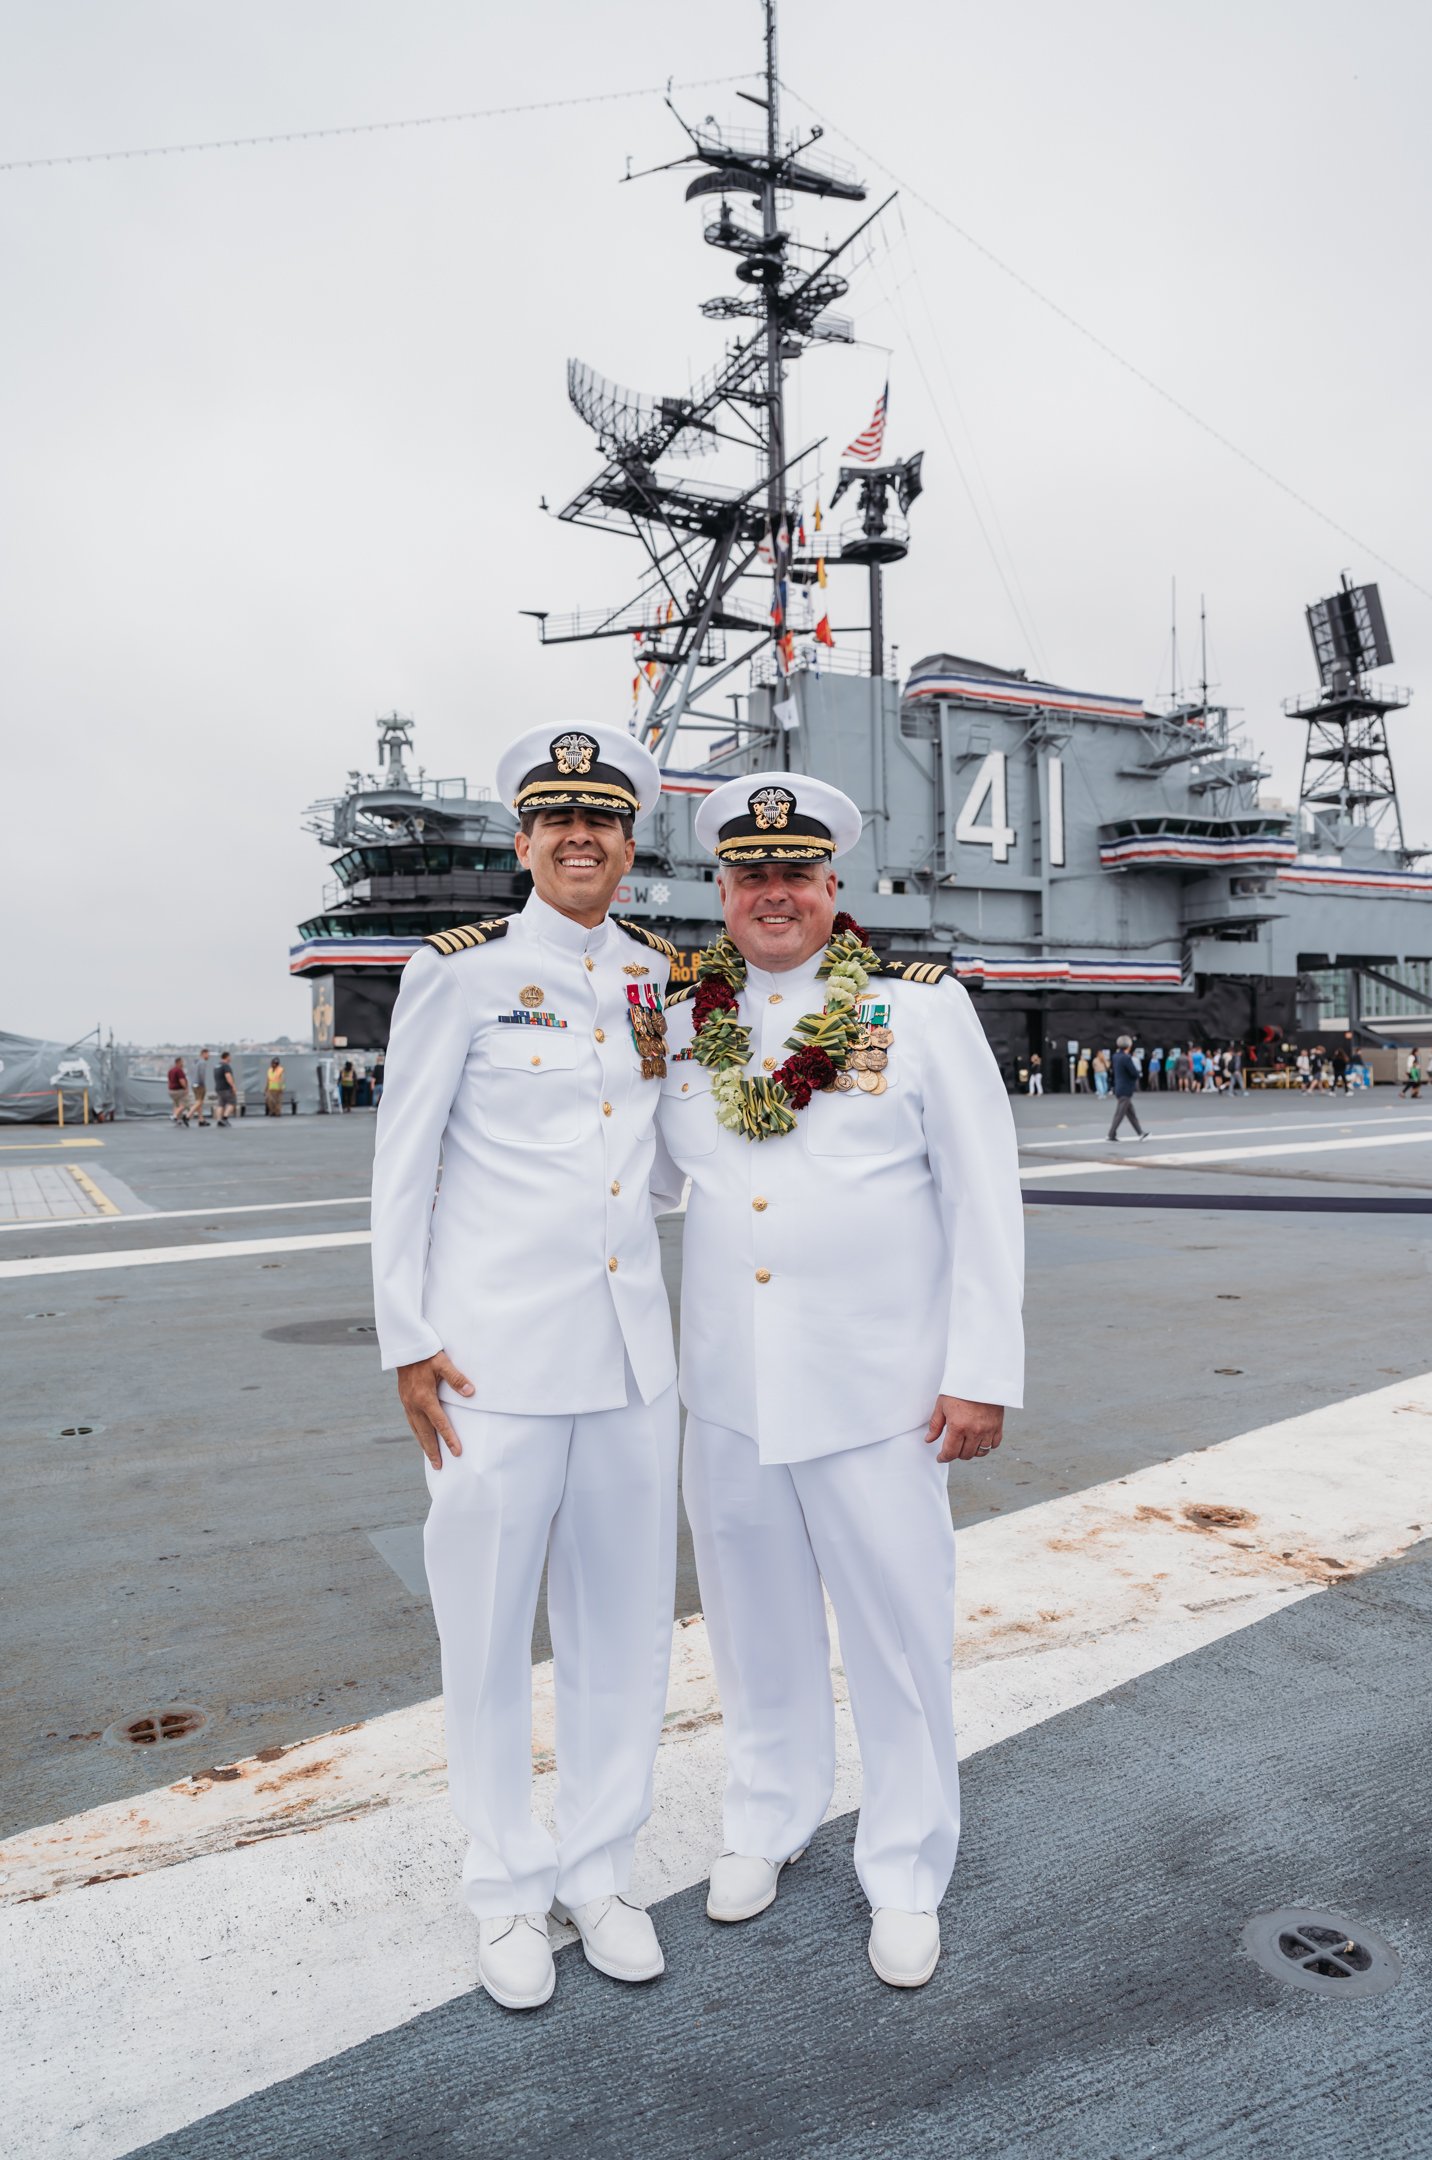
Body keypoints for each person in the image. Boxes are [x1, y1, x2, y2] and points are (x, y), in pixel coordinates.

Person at [655, 773, 1023, 1992]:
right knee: (753, 1628)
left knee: (900, 1637)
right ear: (722, 892)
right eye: (750, 875)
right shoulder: (678, 1022)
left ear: (832, 887)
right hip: (730, 1391)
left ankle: (908, 1864)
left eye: (794, 874)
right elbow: (649, 1179)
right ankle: (766, 1813)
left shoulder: (920, 1012)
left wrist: (981, 1374)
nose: (773, 893)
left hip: (882, 1395)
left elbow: (984, 1200)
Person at [371, 723, 678, 2015]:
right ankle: (504, 1888)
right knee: (488, 1635)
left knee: (623, 1638)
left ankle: (598, 1870)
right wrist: (405, 1337)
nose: (578, 838)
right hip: (493, 1358)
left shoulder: (670, 983)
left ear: (626, 842)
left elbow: (675, 1160)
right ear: (523, 842)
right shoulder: (459, 975)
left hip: (630, 1367)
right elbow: (404, 1159)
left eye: (600, 820)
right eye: (556, 820)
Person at [1107, 1033, 1150, 1142]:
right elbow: (1134, 1073)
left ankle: (1140, 1133)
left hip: (1118, 1087)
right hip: (1126, 1089)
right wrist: (1137, 1074)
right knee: (1120, 1114)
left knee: (1131, 1113)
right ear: (1129, 1046)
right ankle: (1111, 1134)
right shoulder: (1126, 1058)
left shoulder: (1115, 1056)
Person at [214, 1051, 237, 1128]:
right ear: (227, 1057)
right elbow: (228, 1077)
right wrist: (233, 1086)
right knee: (232, 1103)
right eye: (230, 1057)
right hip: (226, 1088)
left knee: (220, 1104)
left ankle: (219, 1120)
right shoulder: (226, 1066)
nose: (230, 1058)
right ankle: (225, 1118)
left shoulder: (216, 1066)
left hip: (218, 1088)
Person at [191, 1047, 213, 1125]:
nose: (209, 1056)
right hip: (199, 1084)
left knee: (199, 1102)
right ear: (203, 1054)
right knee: (199, 1102)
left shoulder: (195, 1062)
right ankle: (187, 1116)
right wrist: (202, 1084)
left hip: (194, 1084)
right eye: (208, 1054)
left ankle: (201, 1120)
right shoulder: (202, 1062)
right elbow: (202, 1074)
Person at [167, 1055, 190, 1126]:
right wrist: (186, 1088)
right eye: (182, 1062)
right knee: (184, 1105)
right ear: (178, 1062)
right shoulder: (179, 1070)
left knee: (176, 1105)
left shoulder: (171, 1070)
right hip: (179, 1090)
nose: (183, 1064)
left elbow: (169, 1080)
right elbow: (182, 1081)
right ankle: (174, 1116)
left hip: (171, 1091)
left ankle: (177, 1119)